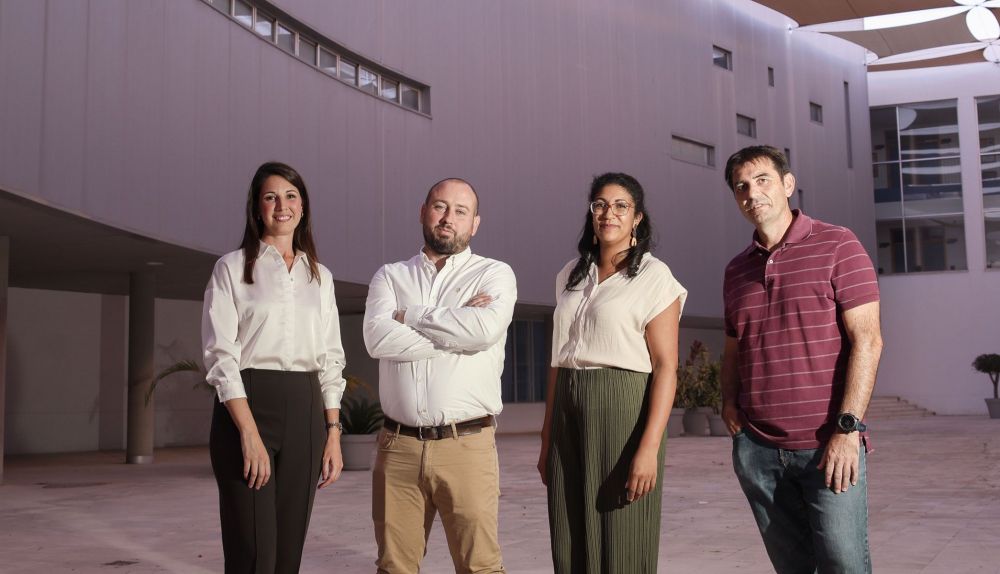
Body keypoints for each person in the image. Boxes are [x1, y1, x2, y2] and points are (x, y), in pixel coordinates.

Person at [721, 146, 883, 574]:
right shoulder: (736, 270)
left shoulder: (838, 244)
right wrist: (729, 404)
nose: (752, 193)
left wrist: (848, 429)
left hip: (829, 446)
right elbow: (734, 347)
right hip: (759, 452)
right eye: (741, 186)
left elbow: (868, 341)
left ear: (788, 184)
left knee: (844, 565)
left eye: (762, 180)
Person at [362, 177, 516, 574]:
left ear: (474, 224)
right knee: (394, 567)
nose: (448, 218)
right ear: (423, 212)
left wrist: (409, 315)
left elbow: (483, 331)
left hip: (466, 446)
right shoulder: (390, 276)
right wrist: (458, 331)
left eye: (460, 211)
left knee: (480, 566)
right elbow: (378, 340)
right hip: (398, 447)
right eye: (440, 206)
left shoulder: (494, 274)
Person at [537, 172, 686, 573]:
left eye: (621, 206)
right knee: (569, 532)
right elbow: (557, 360)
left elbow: (666, 367)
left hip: (622, 405)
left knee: (620, 532)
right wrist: (547, 436)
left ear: (637, 217)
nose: (609, 213)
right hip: (567, 403)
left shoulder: (654, 277)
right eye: (600, 205)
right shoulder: (570, 274)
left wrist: (649, 449)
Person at [203, 161, 347, 574]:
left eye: (291, 196)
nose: (282, 205)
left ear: (303, 207)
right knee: (253, 556)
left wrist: (333, 433)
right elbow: (220, 355)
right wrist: (248, 434)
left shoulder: (320, 277)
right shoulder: (231, 268)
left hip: (305, 410)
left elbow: (331, 357)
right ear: (257, 208)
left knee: (287, 557)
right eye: (271, 197)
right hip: (247, 407)